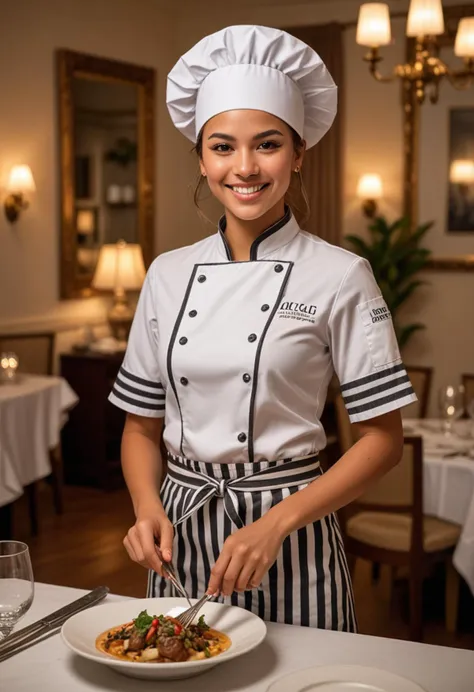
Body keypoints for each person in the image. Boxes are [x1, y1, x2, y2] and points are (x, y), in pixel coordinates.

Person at [109, 25, 417, 631]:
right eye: (222, 147)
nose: (244, 168)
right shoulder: (167, 275)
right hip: (183, 535)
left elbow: (383, 440)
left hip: (292, 532)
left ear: (299, 153)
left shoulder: (341, 275)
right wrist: (146, 507)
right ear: (201, 157)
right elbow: (141, 426)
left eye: (267, 144)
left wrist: (275, 523)